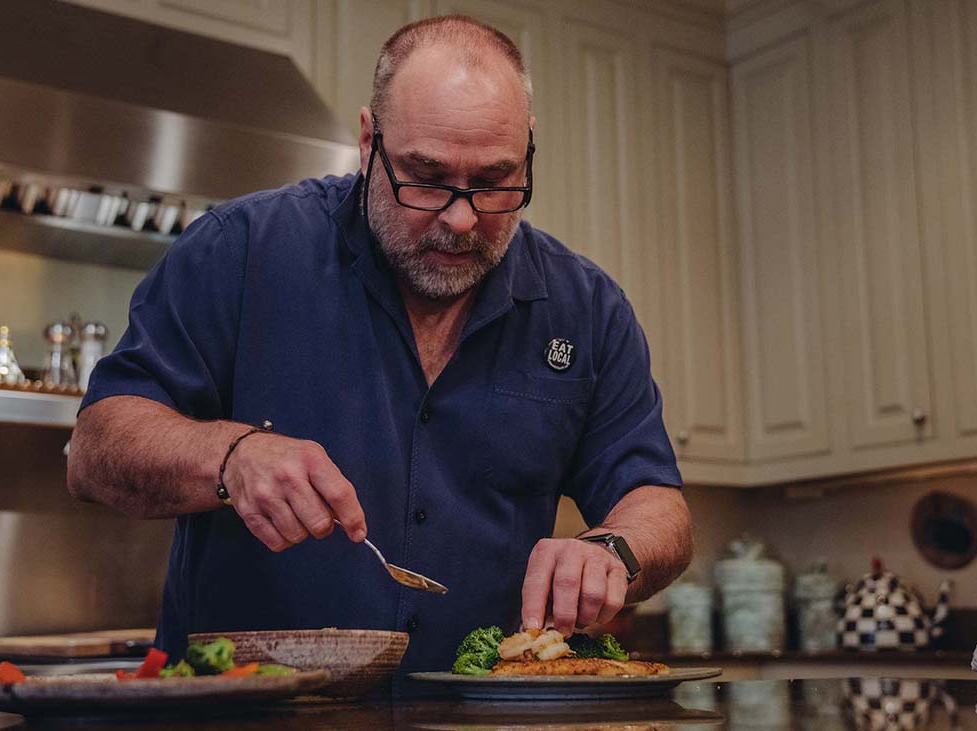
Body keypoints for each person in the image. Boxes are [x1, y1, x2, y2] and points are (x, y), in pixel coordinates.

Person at [67, 15, 693, 686]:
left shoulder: (587, 308)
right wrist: (229, 456)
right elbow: (97, 450)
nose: (461, 218)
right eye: (426, 177)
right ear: (369, 143)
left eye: (494, 180)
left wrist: (613, 550)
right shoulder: (240, 250)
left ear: (528, 151)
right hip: (243, 717)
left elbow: (658, 503)